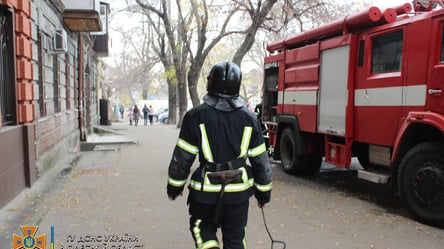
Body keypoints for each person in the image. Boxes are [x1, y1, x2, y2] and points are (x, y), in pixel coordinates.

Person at [167, 61, 272, 249]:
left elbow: (182, 158)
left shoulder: (195, 116)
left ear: (210, 83)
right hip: (238, 196)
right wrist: (263, 195)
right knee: (235, 240)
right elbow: (261, 163)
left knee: (201, 228)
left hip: (204, 194)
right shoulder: (250, 119)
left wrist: (174, 187)